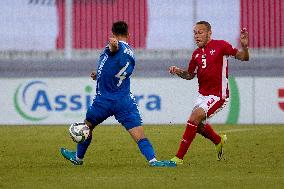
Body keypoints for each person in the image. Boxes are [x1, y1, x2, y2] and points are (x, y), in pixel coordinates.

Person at [60, 21, 176, 167]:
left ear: (113, 34)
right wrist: (99, 74)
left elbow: (114, 47)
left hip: (103, 101)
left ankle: (78, 158)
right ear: (128, 35)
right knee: (139, 135)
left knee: (86, 128)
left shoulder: (115, 46)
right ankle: (153, 161)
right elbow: (117, 70)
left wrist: (114, 43)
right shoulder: (131, 53)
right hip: (123, 101)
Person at [169, 21, 249, 164]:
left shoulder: (221, 46)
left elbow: (244, 57)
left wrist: (244, 46)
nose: (197, 36)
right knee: (197, 125)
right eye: (195, 33)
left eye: (200, 32)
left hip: (218, 95)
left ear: (209, 33)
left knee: (193, 118)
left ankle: (178, 158)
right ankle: (218, 140)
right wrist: (178, 71)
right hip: (202, 95)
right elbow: (190, 75)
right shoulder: (196, 54)